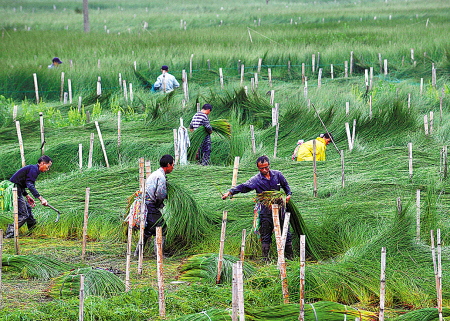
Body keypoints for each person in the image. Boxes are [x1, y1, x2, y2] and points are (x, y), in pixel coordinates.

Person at [222, 155, 293, 260]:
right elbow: (244, 186)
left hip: (280, 209)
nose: (264, 170)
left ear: (269, 165)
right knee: (266, 235)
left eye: (266, 167)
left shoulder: (278, 175)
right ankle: (265, 259)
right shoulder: (256, 179)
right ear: (258, 168)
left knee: (286, 233)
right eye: (261, 168)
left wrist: (288, 195)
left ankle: (289, 257)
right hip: (265, 211)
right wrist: (230, 192)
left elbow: (286, 187)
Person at [134, 154, 174, 257]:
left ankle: (137, 253)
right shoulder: (160, 177)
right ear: (168, 164)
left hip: (145, 203)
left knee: (149, 229)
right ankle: (159, 254)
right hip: (149, 204)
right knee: (162, 226)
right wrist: (159, 204)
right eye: (173, 164)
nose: (173, 167)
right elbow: (160, 194)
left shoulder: (157, 173)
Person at [5, 156, 52, 238]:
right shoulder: (34, 170)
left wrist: (26, 195)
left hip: (17, 190)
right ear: (42, 163)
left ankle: (33, 231)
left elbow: (21, 183)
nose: (48, 169)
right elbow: (29, 185)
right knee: (24, 215)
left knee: (28, 210)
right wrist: (41, 198)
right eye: (48, 167)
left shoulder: (33, 169)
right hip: (13, 191)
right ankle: (9, 235)